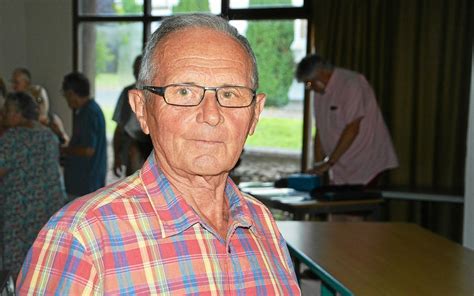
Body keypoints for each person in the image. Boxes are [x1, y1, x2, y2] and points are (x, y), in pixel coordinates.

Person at [17, 14, 300, 295]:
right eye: (184, 92)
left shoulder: (263, 225)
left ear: (255, 113)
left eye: (229, 94)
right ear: (141, 109)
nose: (211, 115)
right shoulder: (81, 240)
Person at [296, 54, 398, 186]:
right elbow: (321, 130)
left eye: (309, 83)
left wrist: (329, 162)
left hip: (366, 162)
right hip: (341, 165)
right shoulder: (318, 94)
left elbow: (353, 128)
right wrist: (318, 165)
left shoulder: (351, 83)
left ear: (322, 73)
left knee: (358, 205)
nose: (309, 88)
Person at [0, 92, 66, 279]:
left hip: (20, 212)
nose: (3, 113)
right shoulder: (48, 135)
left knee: (18, 265)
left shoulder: (12, 138)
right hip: (49, 208)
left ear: (18, 113)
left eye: (7, 110)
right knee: (43, 261)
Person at [60, 72, 107, 200]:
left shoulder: (88, 113)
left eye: (66, 95)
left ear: (72, 93)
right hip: (87, 183)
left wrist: (64, 149)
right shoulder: (90, 110)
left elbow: (88, 150)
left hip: (84, 184)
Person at [112, 55, 153, 177]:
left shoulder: (155, 94)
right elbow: (119, 128)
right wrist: (116, 157)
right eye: (134, 70)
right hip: (131, 145)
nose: (136, 73)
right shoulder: (127, 93)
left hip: (151, 147)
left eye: (139, 70)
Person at [10, 67, 69, 145]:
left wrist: (60, 134)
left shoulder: (52, 121)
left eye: (16, 83)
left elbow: (65, 142)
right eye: (12, 82)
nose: (13, 87)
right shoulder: (15, 118)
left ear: (26, 83)